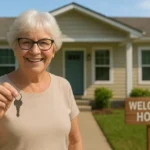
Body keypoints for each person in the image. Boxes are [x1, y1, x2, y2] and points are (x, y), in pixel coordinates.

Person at [0, 9, 83, 150]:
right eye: (26, 42)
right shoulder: (2, 90)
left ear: (54, 50)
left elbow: (75, 142)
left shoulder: (63, 86)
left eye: (44, 42)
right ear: (15, 47)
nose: (35, 51)